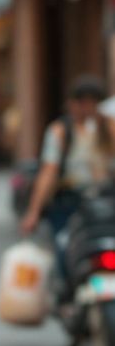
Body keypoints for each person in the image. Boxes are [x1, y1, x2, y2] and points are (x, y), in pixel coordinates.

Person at [20, 76, 115, 244]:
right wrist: (34, 211)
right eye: (83, 103)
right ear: (73, 104)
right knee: (65, 248)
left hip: (104, 201)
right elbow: (49, 171)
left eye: (93, 103)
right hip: (69, 201)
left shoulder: (108, 127)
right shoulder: (61, 131)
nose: (88, 109)